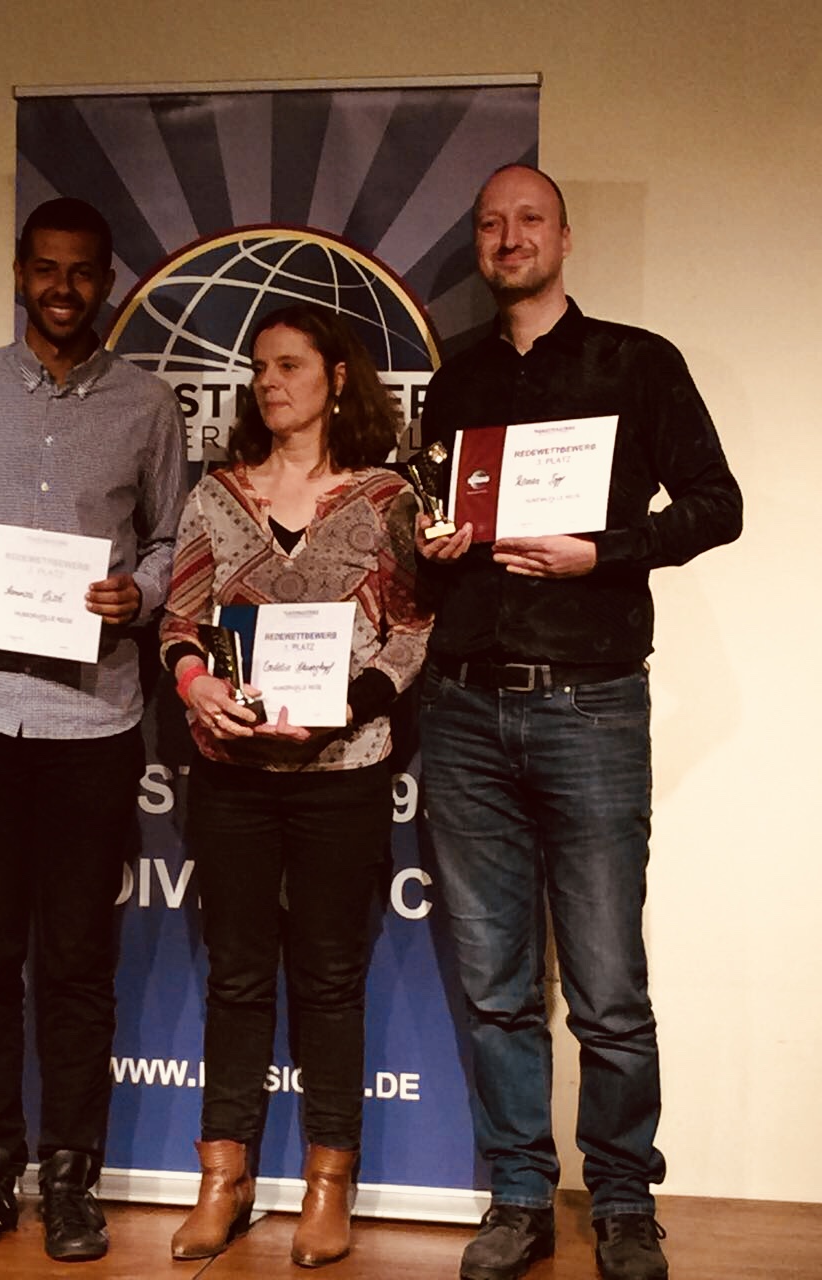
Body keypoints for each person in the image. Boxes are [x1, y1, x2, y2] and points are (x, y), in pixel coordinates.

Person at [415, 166, 742, 1280]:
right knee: (497, 985)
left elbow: (717, 505)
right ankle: (518, 1194)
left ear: (564, 236)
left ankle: (623, 1200)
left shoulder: (638, 363)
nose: (509, 237)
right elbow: (438, 531)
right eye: (491, 224)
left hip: (590, 705)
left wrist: (598, 553)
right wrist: (436, 543)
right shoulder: (456, 380)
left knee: (606, 983)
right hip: (463, 708)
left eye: (529, 220)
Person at [0, 198, 185, 1262]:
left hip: (92, 723)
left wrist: (140, 595)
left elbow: (170, 543)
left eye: (82, 271)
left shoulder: (148, 405)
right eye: (46, 269)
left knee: (80, 963)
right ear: (21, 273)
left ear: (107, 281)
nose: (63, 287)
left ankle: (71, 1178)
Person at [159, 302, 431, 1268]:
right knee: (237, 974)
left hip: (342, 770)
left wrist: (353, 702)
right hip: (233, 772)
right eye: (260, 368)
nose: (270, 383)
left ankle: (327, 1182)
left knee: (329, 977)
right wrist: (196, 685)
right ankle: (223, 1179)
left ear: (336, 378)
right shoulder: (216, 497)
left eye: (290, 366)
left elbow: (412, 630)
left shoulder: (387, 499)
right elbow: (179, 620)